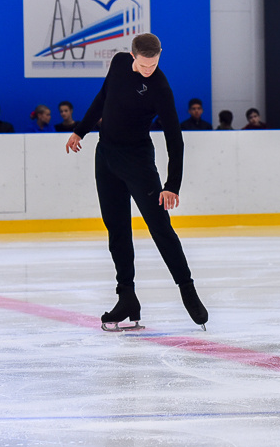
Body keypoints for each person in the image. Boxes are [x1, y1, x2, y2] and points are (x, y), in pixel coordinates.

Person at [65, 33, 208, 332]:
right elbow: (103, 98)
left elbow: (175, 139)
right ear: (132, 56)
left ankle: (187, 289)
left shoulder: (160, 87)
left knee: (160, 227)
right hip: (106, 157)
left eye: (154, 64)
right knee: (116, 229)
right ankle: (127, 297)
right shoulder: (118, 64)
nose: (149, 69)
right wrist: (81, 130)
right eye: (144, 64)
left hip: (138, 162)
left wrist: (172, 185)